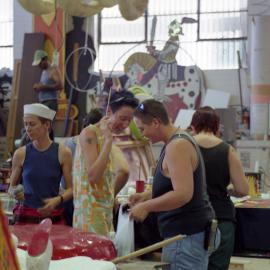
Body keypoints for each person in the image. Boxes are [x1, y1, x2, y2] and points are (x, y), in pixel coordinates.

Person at [129, 99, 217, 270]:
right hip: (187, 236)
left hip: (186, 237)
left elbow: (183, 194)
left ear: (155, 122)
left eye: (142, 129)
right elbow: (174, 184)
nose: (142, 134)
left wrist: (147, 206)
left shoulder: (177, 145)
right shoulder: (174, 142)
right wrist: (147, 195)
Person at [72, 90, 138, 236]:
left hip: (104, 210)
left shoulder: (105, 135)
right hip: (89, 213)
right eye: (122, 118)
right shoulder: (90, 133)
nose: (125, 124)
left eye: (129, 120)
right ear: (109, 111)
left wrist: (110, 196)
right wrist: (108, 140)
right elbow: (93, 177)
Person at [190, 106, 249, 270]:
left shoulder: (184, 146)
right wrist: (228, 188)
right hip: (221, 219)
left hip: (192, 219)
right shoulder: (227, 150)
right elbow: (243, 190)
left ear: (193, 125)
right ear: (217, 127)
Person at [8, 103, 73, 224]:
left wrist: (57, 200)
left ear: (47, 125)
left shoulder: (63, 152)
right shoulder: (20, 154)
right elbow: (11, 187)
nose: (28, 128)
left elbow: (71, 189)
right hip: (25, 218)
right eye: (26, 124)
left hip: (53, 218)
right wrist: (15, 192)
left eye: (32, 124)